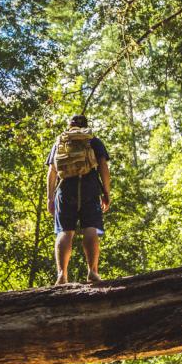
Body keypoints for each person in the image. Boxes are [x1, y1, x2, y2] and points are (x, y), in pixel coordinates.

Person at [46, 114, 111, 284]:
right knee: (90, 228)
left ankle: (62, 274)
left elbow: (52, 171)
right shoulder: (94, 141)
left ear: (70, 125)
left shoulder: (60, 142)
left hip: (65, 190)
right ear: (86, 126)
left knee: (64, 231)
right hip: (89, 188)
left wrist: (50, 198)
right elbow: (103, 166)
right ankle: (93, 272)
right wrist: (106, 192)